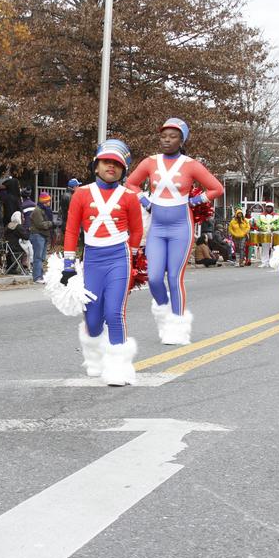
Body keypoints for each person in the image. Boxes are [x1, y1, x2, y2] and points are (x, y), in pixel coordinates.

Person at [125, 118, 223, 345]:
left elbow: (217, 188)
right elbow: (131, 183)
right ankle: (164, 313)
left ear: (182, 140)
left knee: (174, 277)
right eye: (164, 136)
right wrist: (144, 201)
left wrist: (196, 200)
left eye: (173, 136)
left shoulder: (191, 164)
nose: (167, 140)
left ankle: (177, 327)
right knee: (155, 277)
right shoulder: (150, 162)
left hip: (181, 226)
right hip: (157, 227)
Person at [62, 139, 143, 386]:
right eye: (107, 162)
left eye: (117, 164)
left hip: (119, 257)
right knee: (94, 319)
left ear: (124, 170)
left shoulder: (129, 197)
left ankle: (119, 367)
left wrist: (130, 256)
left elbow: (137, 231)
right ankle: (94, 355)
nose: (111, 167)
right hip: (93, 259)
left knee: (114, 313)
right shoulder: (81, 194)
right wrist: (68, 264)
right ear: (96, 166)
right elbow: (71, 230)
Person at [30, 191, 54, 283]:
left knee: (42, 257)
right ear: (44, 201)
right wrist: (51, 223)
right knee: (38, 257)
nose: (49, 203)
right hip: (37, 235)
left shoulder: (45, 210)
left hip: (43, 235)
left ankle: (40, 275)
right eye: (48, 201)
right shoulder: (37, 210)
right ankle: (37, 277)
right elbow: (40, 224)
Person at [253, 201, 279, 268]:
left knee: (274, 248)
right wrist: (262, 227)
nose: (269, 208)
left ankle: (272, 262)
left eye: (270, 207)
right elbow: (258, 223)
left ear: (272, 208)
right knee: (265, 248)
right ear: (265, 208)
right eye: (267, 207)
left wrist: (275, 227)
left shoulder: (277, 215)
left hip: (274, 233)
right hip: (265, 233)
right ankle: (264, 262)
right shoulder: (261, 215)